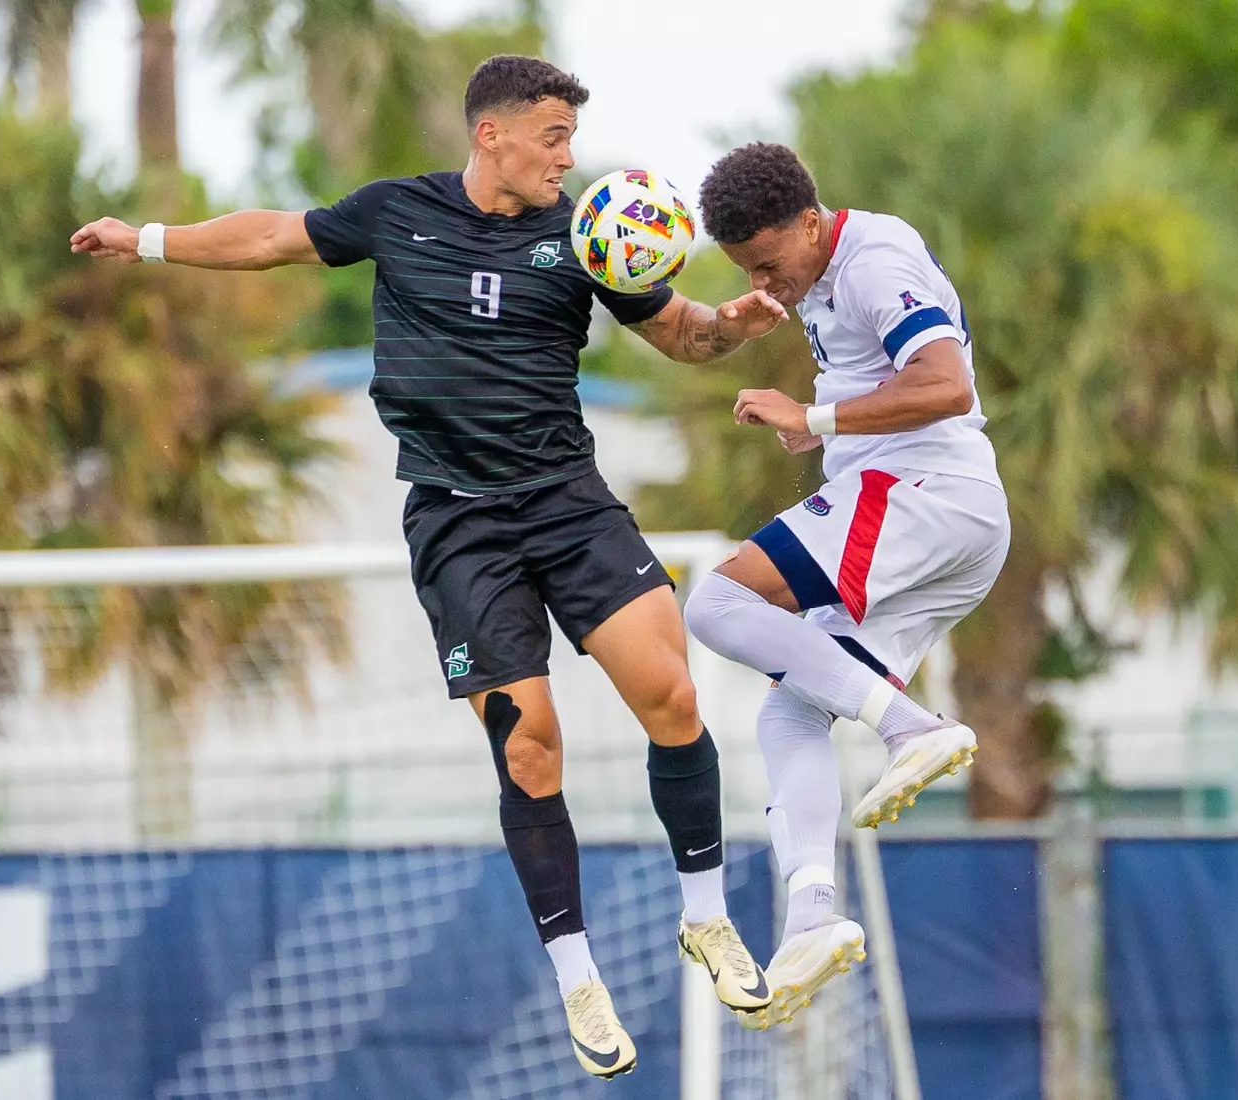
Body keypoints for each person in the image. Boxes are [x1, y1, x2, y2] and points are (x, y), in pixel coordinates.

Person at [70, 56, 788, 1078]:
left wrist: (730, 327)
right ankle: (578, 975)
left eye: (572, 140)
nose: (567, 157)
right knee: (529, 746)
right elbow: (272, 237)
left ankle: (706, 917)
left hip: (568, 502)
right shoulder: (396, 212)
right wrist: (144, 239)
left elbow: (681, 332)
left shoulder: (587, 233)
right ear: (492, 133)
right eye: (553, 136)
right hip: (459, 525)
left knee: (671, 693)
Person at [680, 142, 1011, 1027]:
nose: (765, 284)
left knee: (716, 602)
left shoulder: (873, 260)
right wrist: (822, 431)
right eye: (746, 270)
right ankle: (813, 918)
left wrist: (816, 414)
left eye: (768, 263)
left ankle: (912, 728)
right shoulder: (822, 273)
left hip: (924, 492)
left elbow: (946, 385)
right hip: (939, 517)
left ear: (809, 221)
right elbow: (881, 380)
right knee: (789, 712)